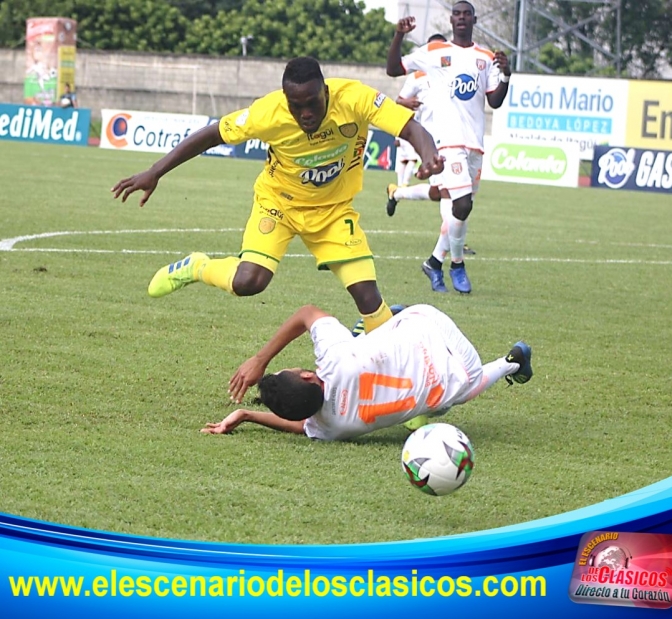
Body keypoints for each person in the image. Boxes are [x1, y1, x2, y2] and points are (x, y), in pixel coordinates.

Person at [112, 57, 443, 334]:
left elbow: (410, 128)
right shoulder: (267, 113)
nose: (305, 114)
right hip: (278, 205)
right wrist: (155, 171)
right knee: (249, 282)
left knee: (369, 300)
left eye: (312, 103)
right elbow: (212, 134)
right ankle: (198, 267)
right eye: (296, 106)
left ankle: (399, 394)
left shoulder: (355, 98)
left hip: (332, 211)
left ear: (325, 92)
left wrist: (428, 155)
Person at [201, 303, 532, 441]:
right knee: (362, 348)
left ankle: (510, 363)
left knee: (452, 397)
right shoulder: (332, 359)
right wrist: (261, 359)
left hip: (461, 368)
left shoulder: (331, 428)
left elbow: (300, 425)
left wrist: (246, 415)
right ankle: (383, 320)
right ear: (306, 376)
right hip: (428, 320)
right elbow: (306, 313)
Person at [387, 2, 511, 294]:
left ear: (474, 20)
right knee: (461, 203)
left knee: (461, 208)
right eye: (457, 14)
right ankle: (456, 265)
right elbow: (393, 69)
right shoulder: (435, 52)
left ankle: (434, 261)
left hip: (474, 145)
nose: (462, 18)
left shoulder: (486, 57)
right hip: (447, 143)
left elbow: (494, 101)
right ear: (452, 20)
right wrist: (398, 36)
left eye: (467, 14)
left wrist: (507, 75)